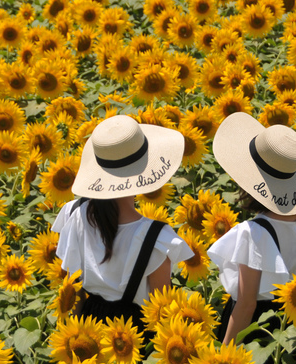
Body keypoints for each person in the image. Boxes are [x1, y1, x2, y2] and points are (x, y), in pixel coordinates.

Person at [52, 115, 194, 329]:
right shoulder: (157, 239)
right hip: (132, 339)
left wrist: (71, 337)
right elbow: (160, 314)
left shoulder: (74, 213)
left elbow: (75, 291)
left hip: (87, 328)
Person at [208, 113, 296, 347]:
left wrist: (223, 353)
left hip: (257, 332)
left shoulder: (252, 234)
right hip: (294, 325)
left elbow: (247, 305)